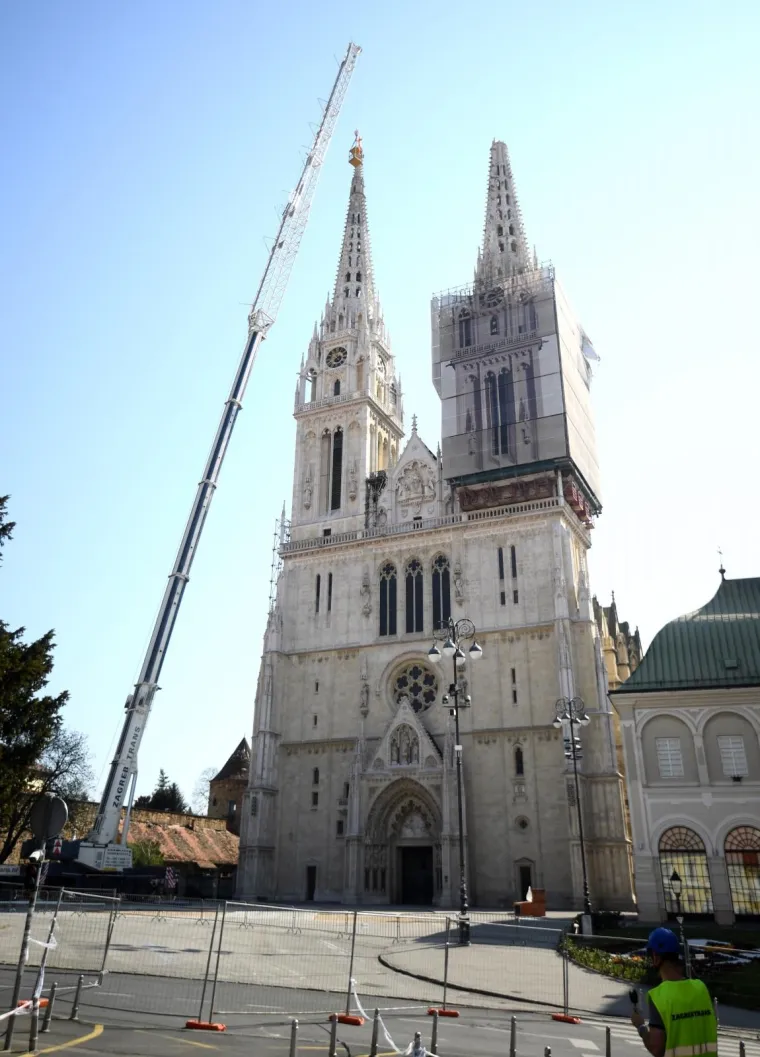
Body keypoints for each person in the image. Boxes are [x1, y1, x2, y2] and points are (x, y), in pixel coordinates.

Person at [631, 927, 717, 1057]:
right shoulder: (701, 988)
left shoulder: (658, 996)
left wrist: (640, 1026)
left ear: (656, 957)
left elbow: (656, 1048)